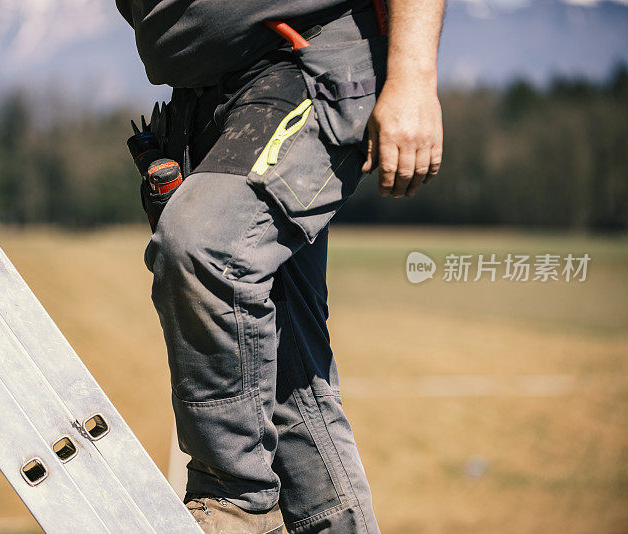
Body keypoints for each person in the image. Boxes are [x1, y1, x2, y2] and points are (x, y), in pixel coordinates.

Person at [116, 0, 445, 532]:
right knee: (285, 383)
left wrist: (413, 78)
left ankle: (235, 499)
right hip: (203, 101)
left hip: (297, 62)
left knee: (203, 246)